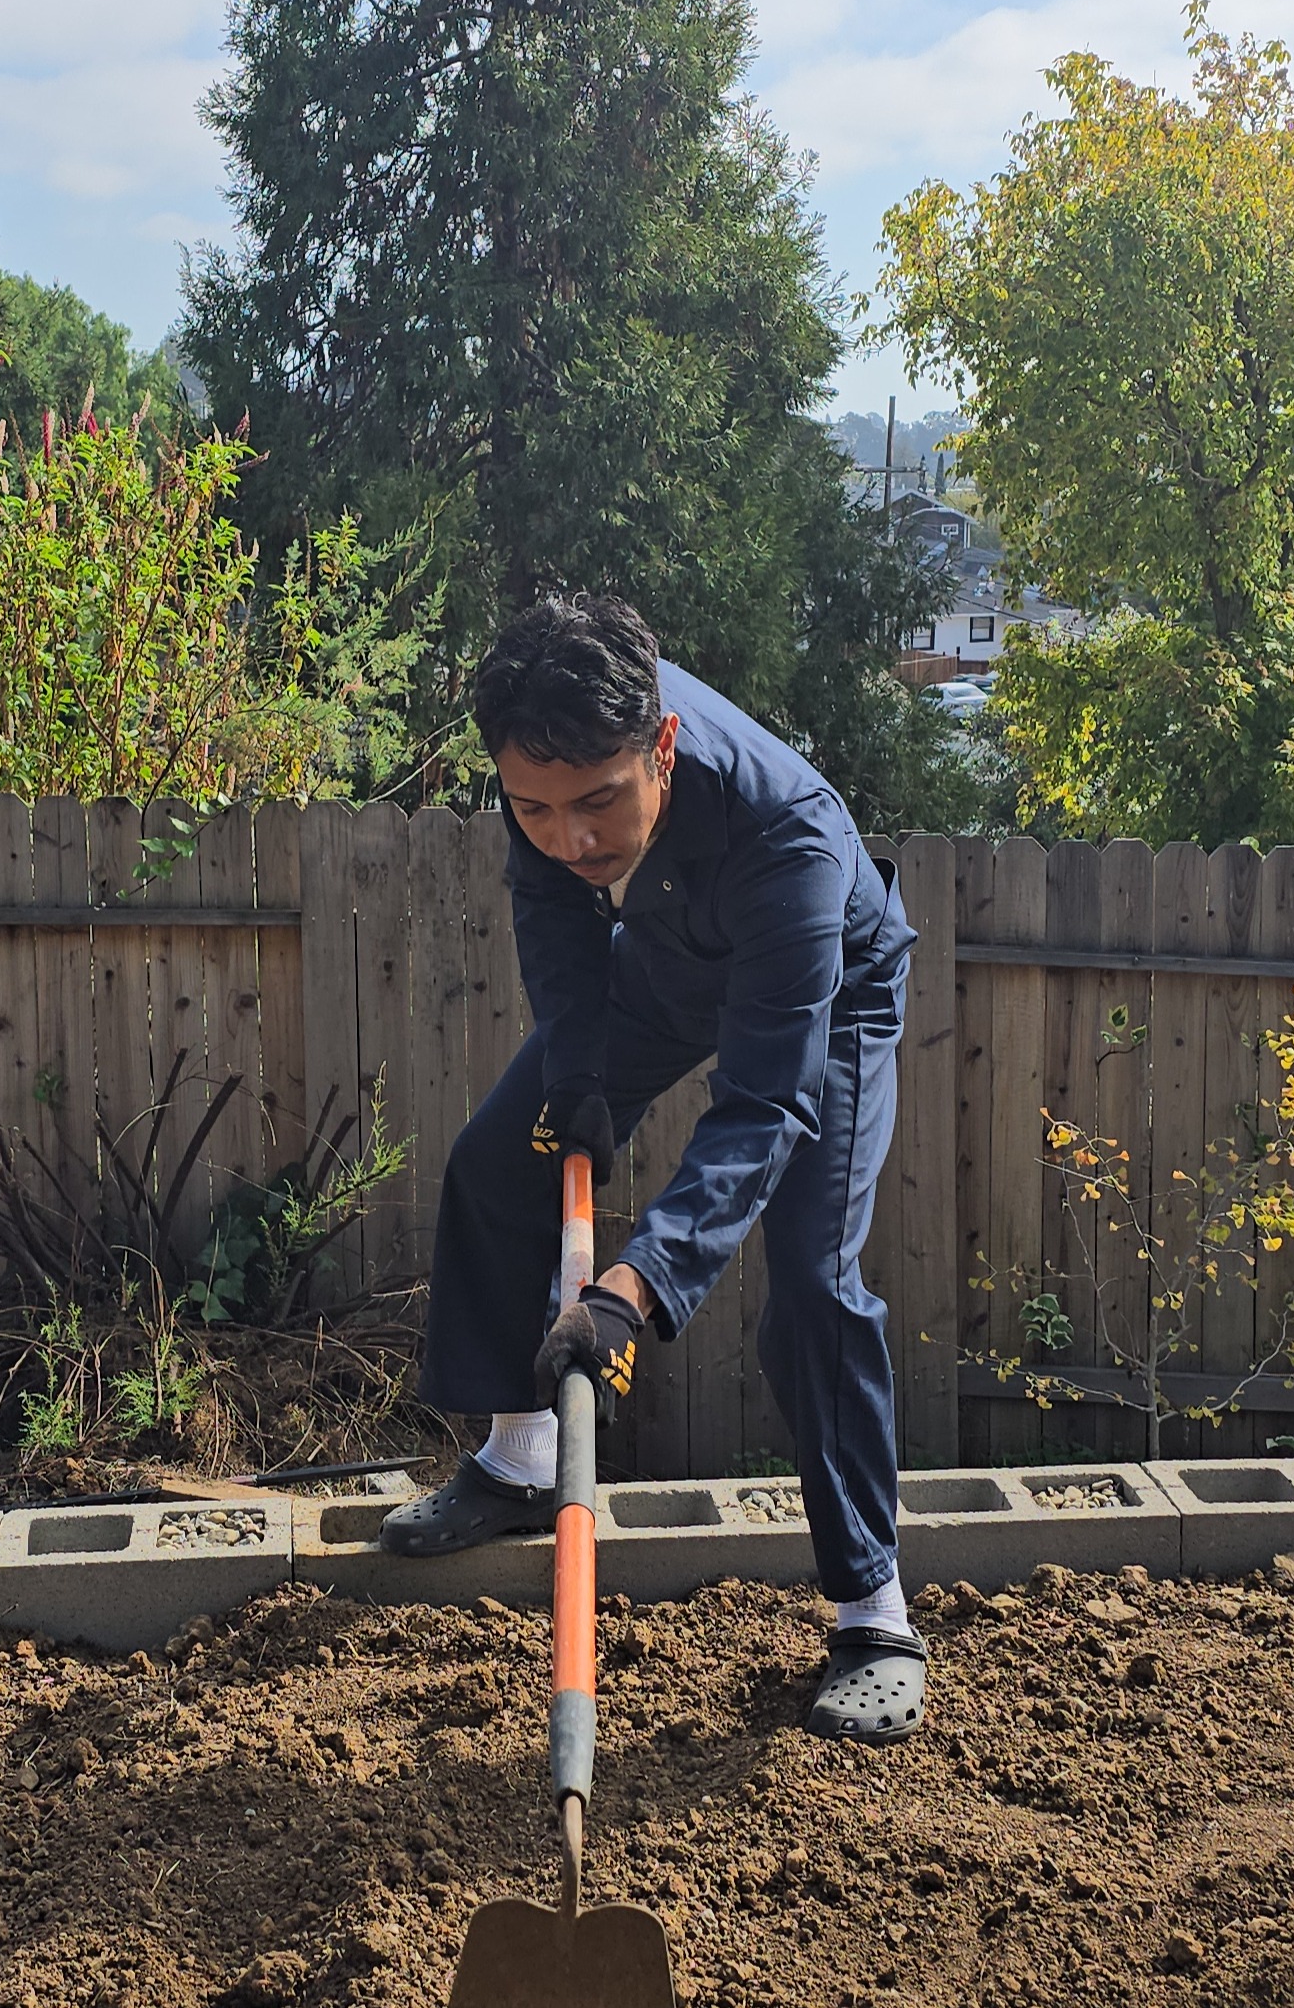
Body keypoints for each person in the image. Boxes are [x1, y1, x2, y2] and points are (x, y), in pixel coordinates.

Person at [379, 593, 926, 1743]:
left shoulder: (788, 839)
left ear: (661, 746)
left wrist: (634, 1285)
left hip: (823, 988)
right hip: (669, 962)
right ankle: (521, 1459)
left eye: (597, 802)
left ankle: (871, 1610)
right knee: (497, 1160)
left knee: (813, 1280)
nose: (569, 837)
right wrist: (577, 1072)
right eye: (533, 807)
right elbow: (556, 921)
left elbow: (764, 1102)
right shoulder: (546, 773)